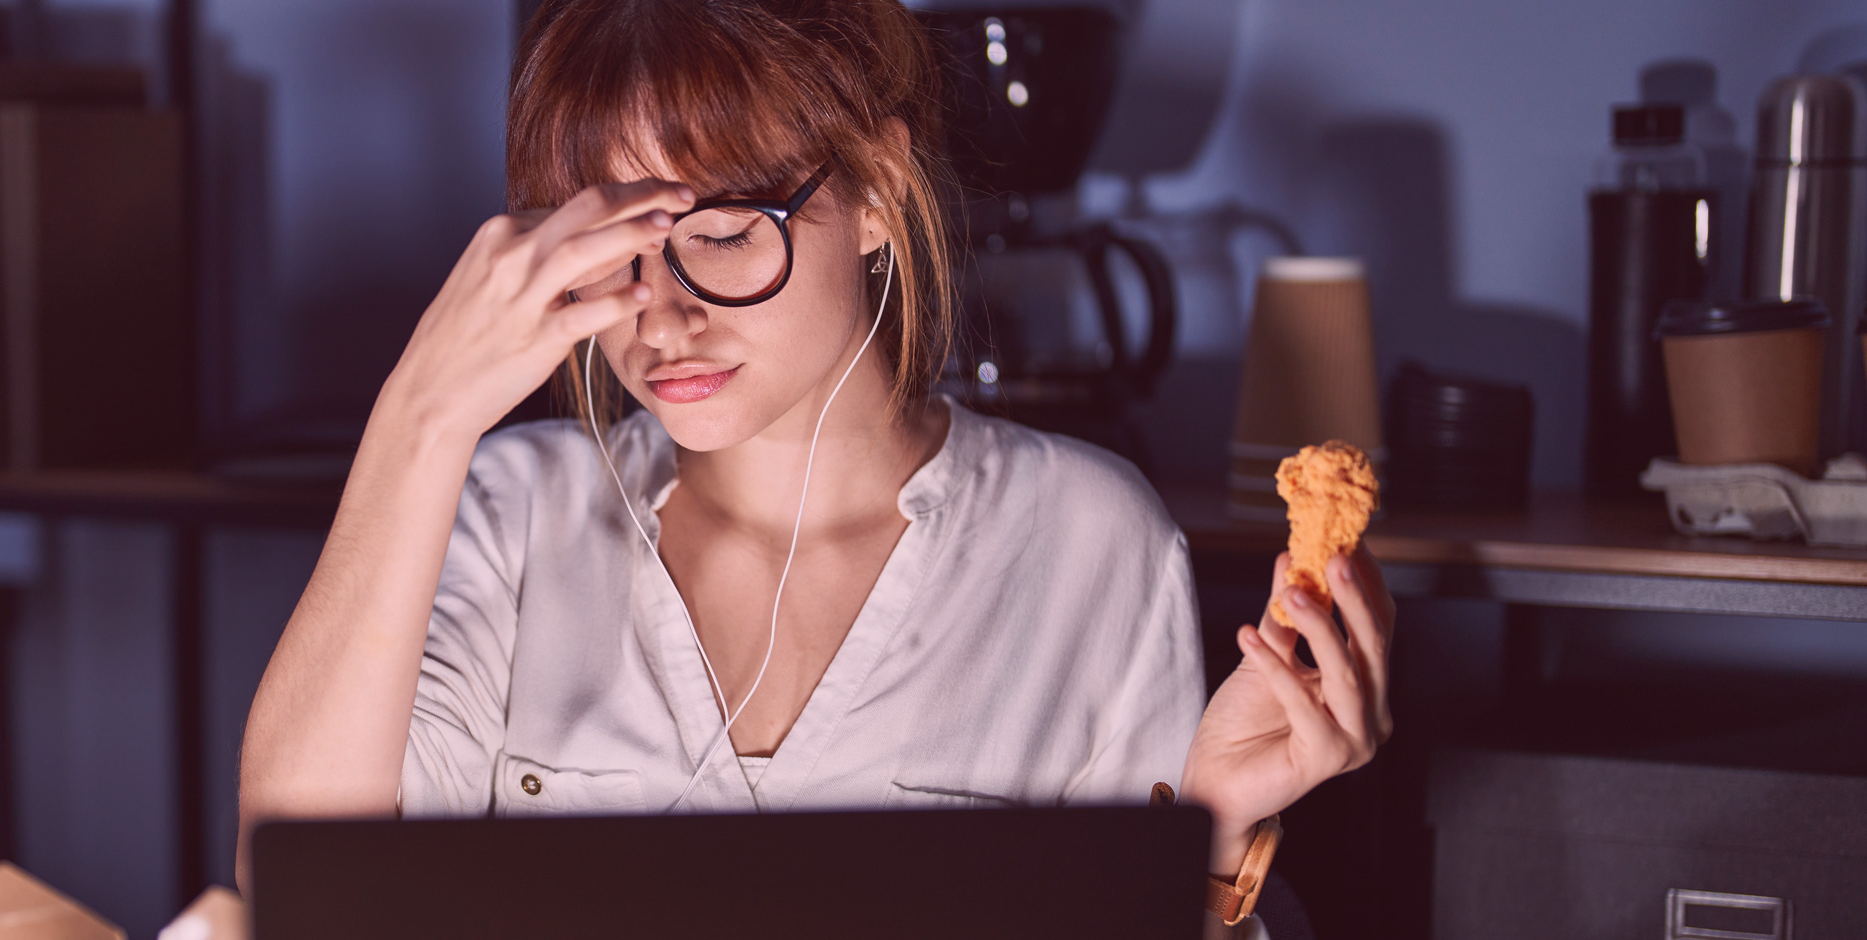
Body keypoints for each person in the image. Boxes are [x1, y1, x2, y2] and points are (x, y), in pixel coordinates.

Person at [233, 1, 1394, 935]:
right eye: (615, 256)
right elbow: (298, 884)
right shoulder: (509, 511)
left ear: (878, 194)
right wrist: (417, 421)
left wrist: (1211, 833)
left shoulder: (1089, 539)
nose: (661, 320)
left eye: (727, 234)